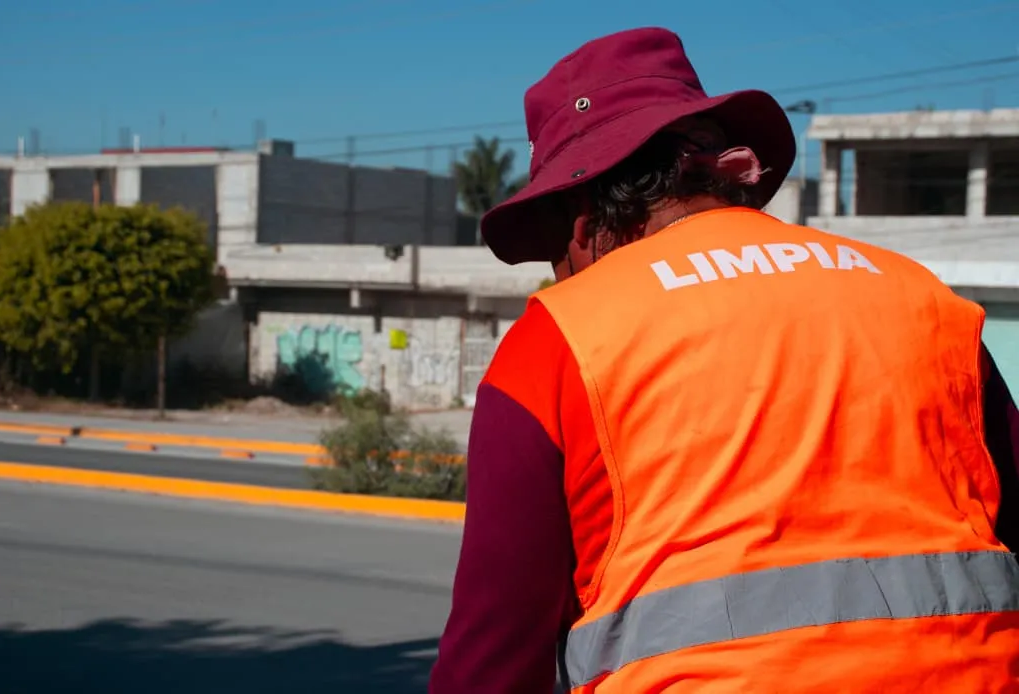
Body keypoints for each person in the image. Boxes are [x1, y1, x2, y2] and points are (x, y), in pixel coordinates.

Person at [429, 26, 1019, 694]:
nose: (561, 274)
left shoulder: (556, 342)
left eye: (554, 251)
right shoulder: (925, 298)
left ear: (584, 218)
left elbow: (493, 661)